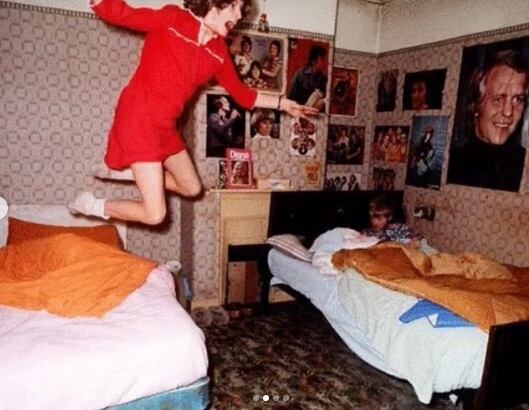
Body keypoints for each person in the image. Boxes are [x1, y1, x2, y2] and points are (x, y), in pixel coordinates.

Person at [69, 0, 317, 225]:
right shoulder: (173, 19)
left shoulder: (218, 51)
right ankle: (91, 205)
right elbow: (125, 14)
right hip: (139, 118)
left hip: (165, 126)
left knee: (191, 187)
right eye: (234, 6)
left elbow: (243, 95)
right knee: (155, 215)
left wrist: (283, 103)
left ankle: (126, 172)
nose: (239, 15)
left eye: (242, 10)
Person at [447, 49, 529, 192]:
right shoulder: (449, 164)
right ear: (475, 105)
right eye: (498, 99)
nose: (508, 112)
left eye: (518, 100)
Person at [287, 45, 327, 112]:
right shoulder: (300, 74)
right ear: (314, 62)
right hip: (298, 112)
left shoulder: (323, 78)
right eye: (322, 60)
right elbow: (290, 96)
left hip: (314, 114)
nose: (324, 63)